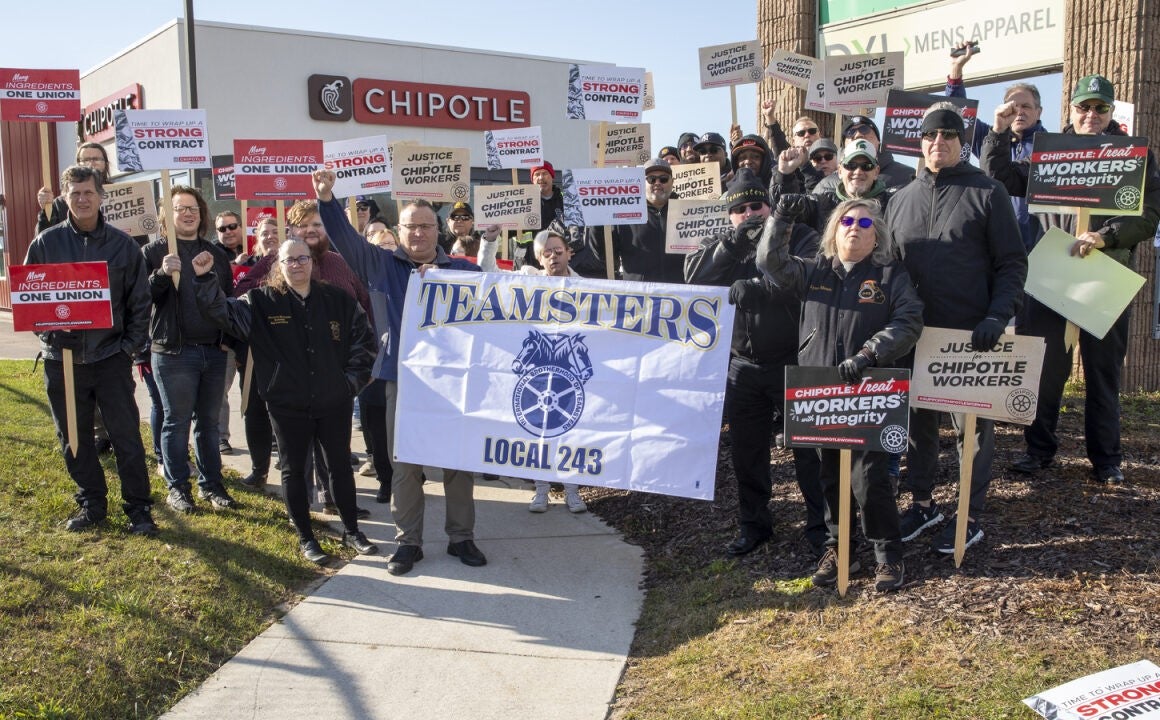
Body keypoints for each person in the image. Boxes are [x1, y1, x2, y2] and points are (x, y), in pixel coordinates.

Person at [981, 74, 1160, 485]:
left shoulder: (1135, 155)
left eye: (1100, 108)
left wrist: (1105, 235)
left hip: (1105, 275)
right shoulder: (1053, 152)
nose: (1091, 115)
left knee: (1102, 373)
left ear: (1112, 112)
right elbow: (1001, 176)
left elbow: (1148, 216)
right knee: (1046, 369)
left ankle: (1106, 460)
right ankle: (1038, 451)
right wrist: (998, 129)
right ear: (1072, 110)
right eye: (1084, 107)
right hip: (1052, 275)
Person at [314, 168, 488, 576]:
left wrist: (445, 285)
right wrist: (326, 200)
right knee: (404, 464)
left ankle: (461, 537)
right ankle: (408, 542)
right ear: (400, 229)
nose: (419, 234)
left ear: (438, 229)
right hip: (402, 380)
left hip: (453, 382)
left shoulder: (463, 273)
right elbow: (345, 240)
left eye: (427, 226)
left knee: (457, 463)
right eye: (411, 227)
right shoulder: (380, 265)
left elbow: (494, 311)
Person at [758, 198, 923, 591]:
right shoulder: (813, 271)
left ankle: (888, 554)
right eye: (846, 220)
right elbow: (769, 263)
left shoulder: (888, 275)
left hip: (868, 394)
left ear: (876, 233)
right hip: (819, 394)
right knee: (829, 476)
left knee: (869, 478)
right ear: (834, 229)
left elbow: (910, 320)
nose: (855, 227)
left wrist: (870, 353)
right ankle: (839, 549)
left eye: (864, 222)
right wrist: (780, 219)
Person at [887, 104, 1027, 556]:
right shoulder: (899, 198)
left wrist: (996, 316)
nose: (938, 142)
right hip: (914, 336)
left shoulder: (988, 192)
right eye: (930, 135)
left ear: (961, 141)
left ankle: (968, 513)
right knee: (917, 427)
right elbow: (888, 270)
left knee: (973, 431)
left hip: (970, 337)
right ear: (920, 142)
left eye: (948, 135)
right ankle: (923, 503)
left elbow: (1012, 263)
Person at [191, 239, 379, 563]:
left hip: (334, 401)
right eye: (289, 260)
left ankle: (352, 530)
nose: (297, 265)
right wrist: (205, 279)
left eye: (302, 258)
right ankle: (306, 537)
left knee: (339, 466)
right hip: (286, 403)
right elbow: (222, 313)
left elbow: (364, 341)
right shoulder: (260, 302)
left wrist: (350, 383)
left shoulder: (338, 300)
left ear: (312, 262)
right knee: (292, 469)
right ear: (278, 264)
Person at [684, 168, 826, 558]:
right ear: (729, 214)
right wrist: (730, 246)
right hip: (742, 364)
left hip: (795, 359)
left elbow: (812, 276)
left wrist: (762, 288)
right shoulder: (722, 242)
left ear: (769, 204)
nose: (750, 213)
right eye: (740, 208)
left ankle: (820, 526)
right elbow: (692, 278)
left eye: (757, 205)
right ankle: (754, 525)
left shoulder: (799, 234)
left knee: (810, 452)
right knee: (747, 454)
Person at [25, 164, 157, 536]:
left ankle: (139, 509)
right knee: (74, 438)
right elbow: (30, 302)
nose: (82, 199)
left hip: (110, 358)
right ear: (65, 196)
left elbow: (140, 303)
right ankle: (92, 504)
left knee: (126, 437)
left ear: (101, 196)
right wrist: (49, 332)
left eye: (88, 192)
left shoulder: (122, 245)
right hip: (62, 362)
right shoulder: (45, 244)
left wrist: (127, 349)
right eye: (75, 192)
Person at [477, 225, 589, 513]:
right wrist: (490, 241)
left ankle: (572, 490)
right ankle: (541, 489)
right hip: (537, 372)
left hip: (568, 374)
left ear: (569, 253)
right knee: (538, 429)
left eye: (558, 251)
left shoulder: (588, 287)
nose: (553, 257)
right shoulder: (527, 279)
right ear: (539, 259)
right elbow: (489, 274)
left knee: (570, 429)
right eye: (546, 253)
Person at [143, 185, 237, 514]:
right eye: (180, 208)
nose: (188, 213)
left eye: (193, 208)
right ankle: (178, 487)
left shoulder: (217, 254)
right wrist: (159, 275)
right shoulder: (154, 252)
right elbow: (140, 302)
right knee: (176, 422)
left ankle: (212, 485)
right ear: (166, 216)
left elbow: (228, 302)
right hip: (173, 353)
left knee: (209, 423)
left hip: (212, 351)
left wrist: (228, 338)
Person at [944, 40, 1048, 251]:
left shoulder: (1052, 147)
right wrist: (956, 70)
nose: (1019, 112)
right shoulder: (989, 139)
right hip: (996, 245)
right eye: (1013, 106)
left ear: (1039, 112)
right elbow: (959, 113)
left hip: (1039, 249)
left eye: (1026, 106)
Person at [586, 157, 684, 284]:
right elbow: (606, 257)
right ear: (642, 183)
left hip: (681, 297)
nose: (657, 183)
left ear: (672, 182)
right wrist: (597, 224)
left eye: (663, 179)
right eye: (651, 179)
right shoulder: (625, 214)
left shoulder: (686, 212)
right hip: (639, 297)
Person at [774, 139, 900, 235]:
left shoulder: (893, 205)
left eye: (866, 166)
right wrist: (785, 175)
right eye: (851, 165)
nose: (858, 171)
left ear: (876, 172)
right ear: (840, 171)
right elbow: (788, 212)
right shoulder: (821, 202)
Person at [213, 210, 247, 456]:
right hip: (224, 334)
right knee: (219, 390)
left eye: (232, 226)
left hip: (250, 335)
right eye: (222, 229)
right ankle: (220, 437)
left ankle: (271, 438)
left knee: (255, 390)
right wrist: (235, 266)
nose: (228, 232)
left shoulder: (255, 250)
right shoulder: (212, 254)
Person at [813, 116, 914, 195]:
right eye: (850, 132)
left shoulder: (907, 175)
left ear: (878, 141)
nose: (858, 135)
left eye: (864, 129)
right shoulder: (826, 185)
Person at [35, 143, 111, 233]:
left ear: (105, 163)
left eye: (96, 159)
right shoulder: (61, 204)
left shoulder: (123, 194)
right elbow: (44, 240)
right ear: (78, 164)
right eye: (85, 160)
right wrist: (46, 210)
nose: (91, 164)